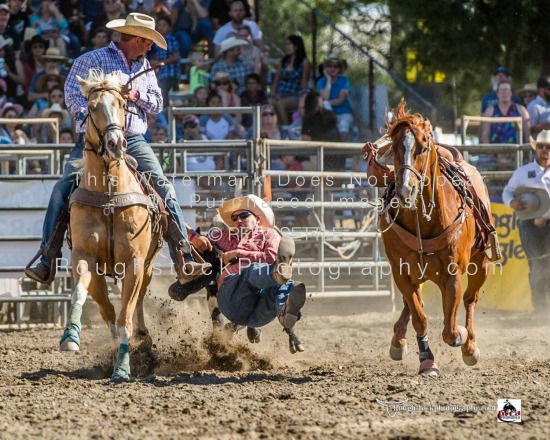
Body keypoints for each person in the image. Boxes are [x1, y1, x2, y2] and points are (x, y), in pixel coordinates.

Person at [25, 12, 210, 290]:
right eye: (148, 42)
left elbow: (157, 104)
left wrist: (135, 95)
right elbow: (73, 97)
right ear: (136, 39)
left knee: (163, 187)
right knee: (62, 188)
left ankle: (183, 255)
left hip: (133, 138)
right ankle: (47, 257)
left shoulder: (143, 66)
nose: (150, 48)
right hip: (93, 141)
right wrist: (97, 118)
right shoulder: (90, 60)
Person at [170, 194, 306, 350]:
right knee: (263, 273)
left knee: (280, 283)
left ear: (258, 219)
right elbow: (201, 240)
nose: (238, 220)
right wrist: (194, 236)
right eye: (234, 218)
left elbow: (269, 257)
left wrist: (238, 253)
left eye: (243, 215)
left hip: (257, 313)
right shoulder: (226, 237)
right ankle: (280, 285)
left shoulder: (269, 234)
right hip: (232, 296)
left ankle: (283, 312)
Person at [502, 130, 550, 316]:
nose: (544, 150)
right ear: (535, 148)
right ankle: (540, 308)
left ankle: (543, 308)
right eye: (541, 146)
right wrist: (511, 202)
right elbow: (508, 191)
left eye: (548, 147)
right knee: (537, 264)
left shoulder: (524, 172)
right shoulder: (523, 172)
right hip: (529, 224)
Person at [480, 80, 530, 171]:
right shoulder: (490, 110)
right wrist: (490, 156)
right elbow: (485, 135)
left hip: (516, 154)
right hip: (496, 155)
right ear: (497, 93)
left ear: (511, 93)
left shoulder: (521, 110)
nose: (504, 93)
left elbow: (527, 135)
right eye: (502, 90)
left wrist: (526, 155)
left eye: (507, 90)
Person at [270, 35, 311, 125]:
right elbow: (276, 81)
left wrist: (302, 99)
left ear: (296, 46)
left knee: (280, 104)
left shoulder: (304, 63)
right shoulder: (283, 61)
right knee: (269, 104)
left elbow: (304, 83)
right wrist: (272, 94)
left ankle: (286, 130)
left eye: (289, 44)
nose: (286, 47)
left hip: (295, 95)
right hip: (280, 94)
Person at [317, 55, 353, 139]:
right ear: (325, 68)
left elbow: (340, 100)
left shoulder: (344, 81)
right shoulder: (321, 81)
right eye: (329, 66)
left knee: (343, 129)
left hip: (344, 113)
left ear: (339, 68)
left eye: (335, 66)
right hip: (329, 115)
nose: (332, 69)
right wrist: (328, 80)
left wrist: (325, 102)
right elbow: (325, 97)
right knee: (325, 103)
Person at [148, 14, 180, 107]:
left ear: (169, 27)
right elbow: (153, 56)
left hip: (170, 73)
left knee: (163, 93)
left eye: (164, 25)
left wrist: (160, 63)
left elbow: (176, 57)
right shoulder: (155, 41)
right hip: (159, 74)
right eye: (160, 25)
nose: (161, 27)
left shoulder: (171, 39)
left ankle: (163, 110)